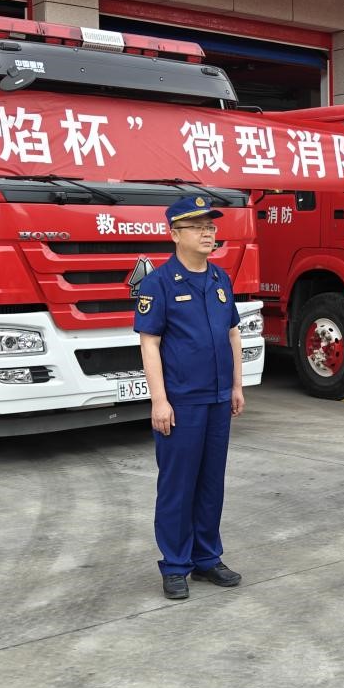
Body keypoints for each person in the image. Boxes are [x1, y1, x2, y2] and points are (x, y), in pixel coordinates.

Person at [134, 196, 245, 599]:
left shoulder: (220, 279)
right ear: (174, 234)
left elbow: (233, 334)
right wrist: (159, 401)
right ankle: (175, 565)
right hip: (181, 402)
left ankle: (206, 558)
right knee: (178, 485)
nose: (208, 233)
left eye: (211, 226)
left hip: (218, 400)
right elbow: (150, 344)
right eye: (197, 226)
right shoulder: (159, 283)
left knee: (210, 483)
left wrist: (236, 385)